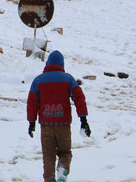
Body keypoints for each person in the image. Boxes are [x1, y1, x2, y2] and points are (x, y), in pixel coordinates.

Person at [27, 50, 91, 182]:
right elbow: (79, 98)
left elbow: (32, 102)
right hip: (63, 124)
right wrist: (83, 120)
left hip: (46, 125)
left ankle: (49, 179)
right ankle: (62, 169)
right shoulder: (68, 79)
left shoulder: (38, 80)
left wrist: (31, 122)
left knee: (48, 156)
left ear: (48, 63)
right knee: (65, 152)